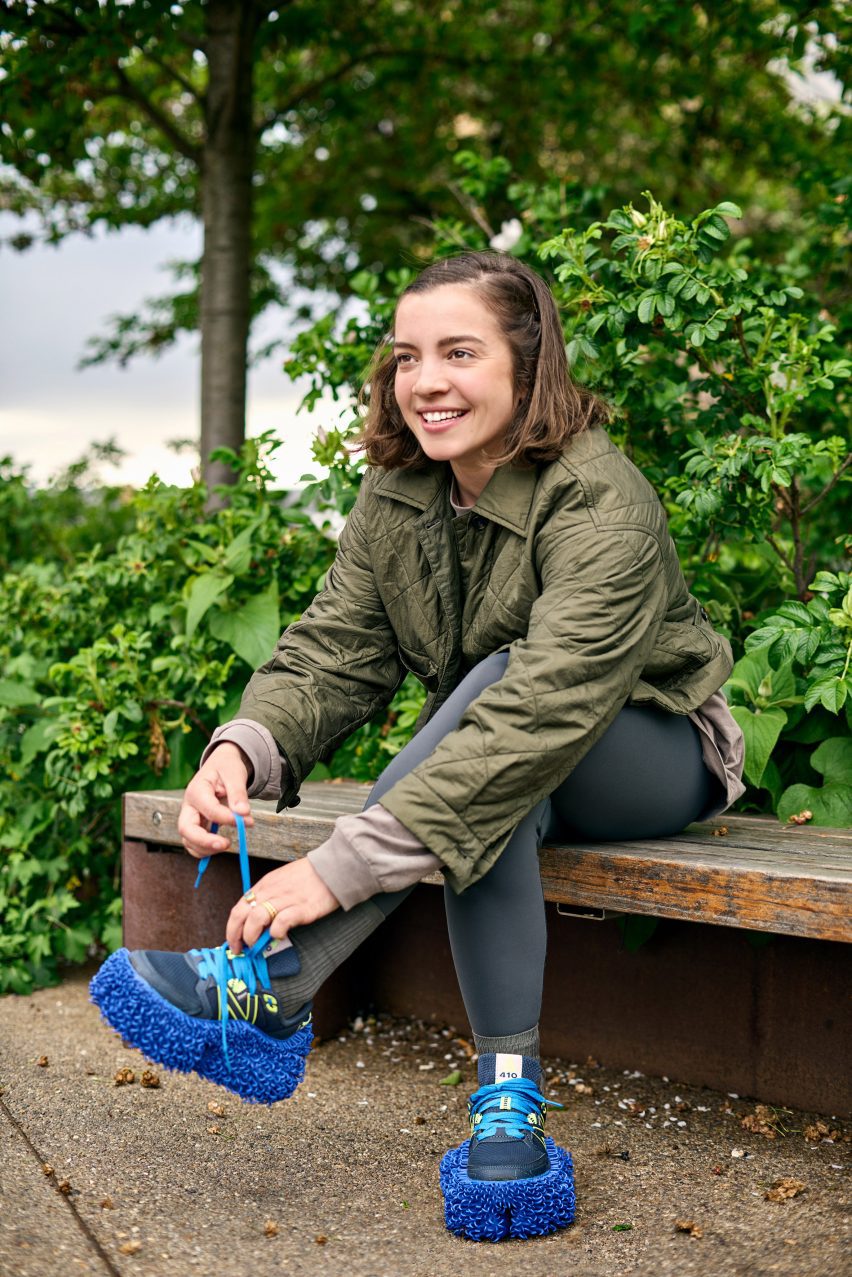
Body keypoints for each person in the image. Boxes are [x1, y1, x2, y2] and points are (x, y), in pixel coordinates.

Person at [91, 251, 745, 1241]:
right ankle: (509, 1106)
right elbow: (336, 649)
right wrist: (245, 747)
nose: (425, 379)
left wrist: (339, 869)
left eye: (458, 351)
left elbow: (547, 704)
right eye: (408, 356)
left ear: (528, 365)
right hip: (509, 761)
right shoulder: (401, 491)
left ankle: (279, 981)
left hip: (652, 749)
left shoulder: (601, 499)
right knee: (499, 796)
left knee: (502, 697)